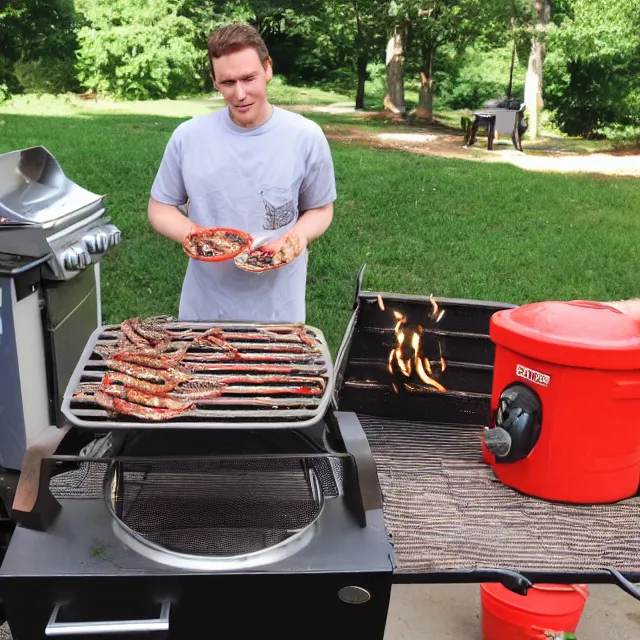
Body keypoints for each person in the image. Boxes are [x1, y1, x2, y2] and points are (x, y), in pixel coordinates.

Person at [147, 23, 336, 323]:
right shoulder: (188, 136)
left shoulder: (305, 136)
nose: (240, 93)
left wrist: (295, 238)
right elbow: (160, 208)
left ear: (268, 69)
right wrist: (199, 238)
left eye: (249, 78)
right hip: (205, 308)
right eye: (227, 82)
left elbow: (321, 209)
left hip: (279, 308)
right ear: (214, 81)